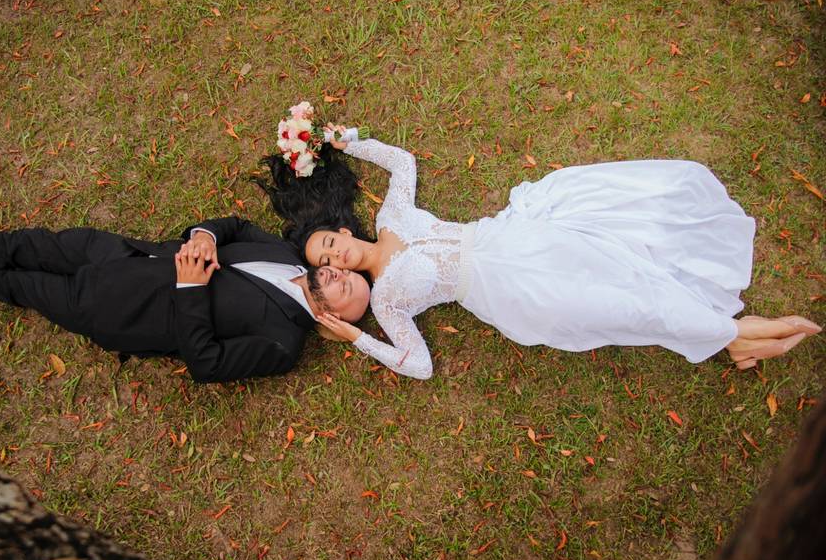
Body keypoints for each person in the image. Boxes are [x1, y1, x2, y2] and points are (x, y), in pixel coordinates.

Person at [257, 128, 820, 379]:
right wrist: (360, 339)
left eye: (329, 244)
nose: (335, 260)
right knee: (622, 309)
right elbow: (421, 366)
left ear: (342, 232)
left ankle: (733, 337)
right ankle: (734, 334)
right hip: (509, 292)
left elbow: (402, 162)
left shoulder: (391, 217)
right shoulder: (387, 307)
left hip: (511, 238)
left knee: (626, 265)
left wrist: (346, 142)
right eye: (326, 264)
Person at [0, 193, 369, 383]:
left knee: (16, 282)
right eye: (347, 272)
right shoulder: (285, 255)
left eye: (347, 289)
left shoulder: (283, 345)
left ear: (337, 320)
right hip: (124, 254)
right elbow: (235, 224)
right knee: (23, 243)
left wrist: (191, 288)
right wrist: (203, 235)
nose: (340, 274)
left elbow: (207, 363)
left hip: (117, 312)